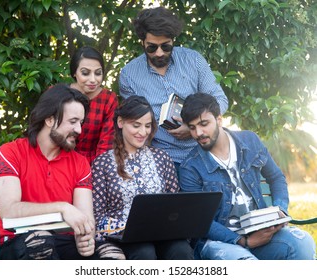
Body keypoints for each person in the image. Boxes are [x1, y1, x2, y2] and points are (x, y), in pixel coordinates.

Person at [179, 92, 316, 260]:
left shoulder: (250, 141)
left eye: (204, 124)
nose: (198, 133)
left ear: (219, 119)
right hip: (220, 243)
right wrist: (244, 241)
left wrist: (280, 209)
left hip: (261, 232)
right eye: (192, 127)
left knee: (303, 243)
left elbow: (276, 178)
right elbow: (199, 219)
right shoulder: (190, 167)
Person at [0, 84, 101, 260]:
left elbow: (85, 215)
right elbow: (8, 210)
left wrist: (86, 237)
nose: (79, 130)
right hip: (18, 241)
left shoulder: (80, 163)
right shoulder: (10, 152)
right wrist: (62, 208)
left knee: (110, 253)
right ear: (49, 120)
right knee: (41, 243)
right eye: (73, 122)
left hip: (64, 241)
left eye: (80, 123)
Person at [119, 6, 228, 169]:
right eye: (151, 47)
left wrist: (192, 127)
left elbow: (219, 100)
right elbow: (133, 121)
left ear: (173, 41)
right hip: (160, 160)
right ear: (142, 42)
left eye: (166, 46)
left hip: (204, 153)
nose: (159, 53)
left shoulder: (194, 61)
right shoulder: (129, 75)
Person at [91, 95, 193, 260]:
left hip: (161, 233)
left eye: (147, 126)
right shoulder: (102, 163)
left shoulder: (162, 158)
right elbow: (97, 215)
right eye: (136, 125)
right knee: (144, 251)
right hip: (122, 236)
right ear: (120, 122)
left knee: (181, 249)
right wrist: (127, 229)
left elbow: (175, 204)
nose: (143, 132)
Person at [70, 46, 118, 164]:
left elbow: (106, 144)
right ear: (74, 73)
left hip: (93, 162)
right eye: (85, 73)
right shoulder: (58, 94)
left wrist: (99, 171)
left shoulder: (108, 99)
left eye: (98, 73)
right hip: (59, 160)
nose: (93, 80)